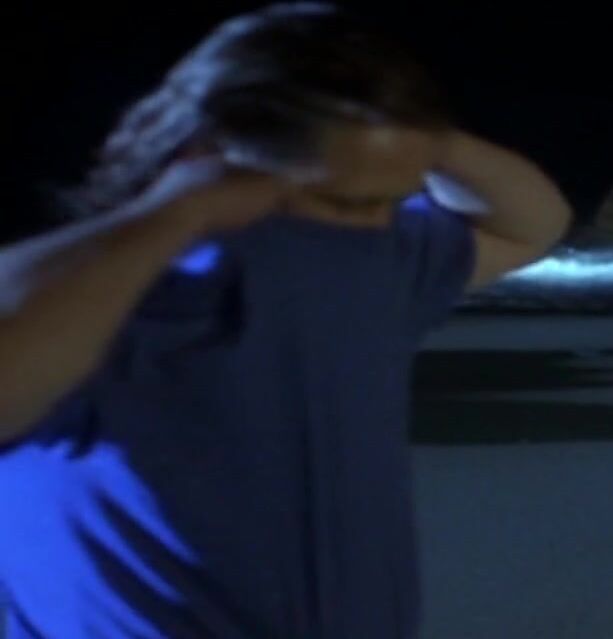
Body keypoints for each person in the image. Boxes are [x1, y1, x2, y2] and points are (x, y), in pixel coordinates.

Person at [0, 4, 571, 637]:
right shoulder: (98, 293)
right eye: (343, 200)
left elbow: (527, 225)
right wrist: (177, 214)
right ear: (214, 159)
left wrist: (426, 141)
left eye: (391, 198)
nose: (372, 226)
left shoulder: (359, 267)